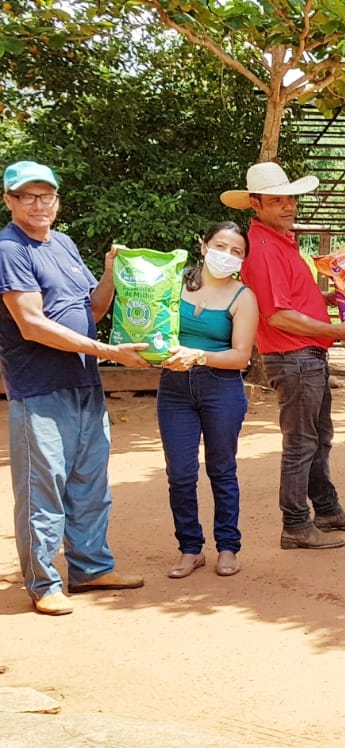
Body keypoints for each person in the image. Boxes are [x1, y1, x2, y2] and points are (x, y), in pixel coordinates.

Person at [0, 160, 147, 615]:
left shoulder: (62, 243)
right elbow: (32, 325)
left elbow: (95, 309)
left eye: (46, 196)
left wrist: (110, 272)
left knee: (89, 484)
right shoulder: (10, 248)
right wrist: (109, 354)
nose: (39, 204)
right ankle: (44, 584)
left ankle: (90, 568)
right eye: (28, 196)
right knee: (43, 490)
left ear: (57, 201)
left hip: (84, 382)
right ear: (10, 201)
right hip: (39, 388)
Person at [224, 161, 345, 550]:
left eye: (290, 198)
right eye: (277, 201)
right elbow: (278, 315)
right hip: (294, 358)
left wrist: (333, 298)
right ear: (256, 204)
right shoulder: (263, 249)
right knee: (302, 442)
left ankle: (325, 509)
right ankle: (295, 524)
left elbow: (292, 302)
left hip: (304, 357)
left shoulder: (280, 243)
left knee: (316, 437)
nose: (288, 206)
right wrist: (338, 329)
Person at [156, 222, 261, 580]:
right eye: (220, 246)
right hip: (174, 389)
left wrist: (198, 355)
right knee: (180, 474)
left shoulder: (243, 297)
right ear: (203, 246)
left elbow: (240, 357)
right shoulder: (173, 284)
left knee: (222, 470)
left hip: (222, 388)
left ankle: (228, 546)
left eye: (236, 251)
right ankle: (190, 549)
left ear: (243, 259)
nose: (226, 255)